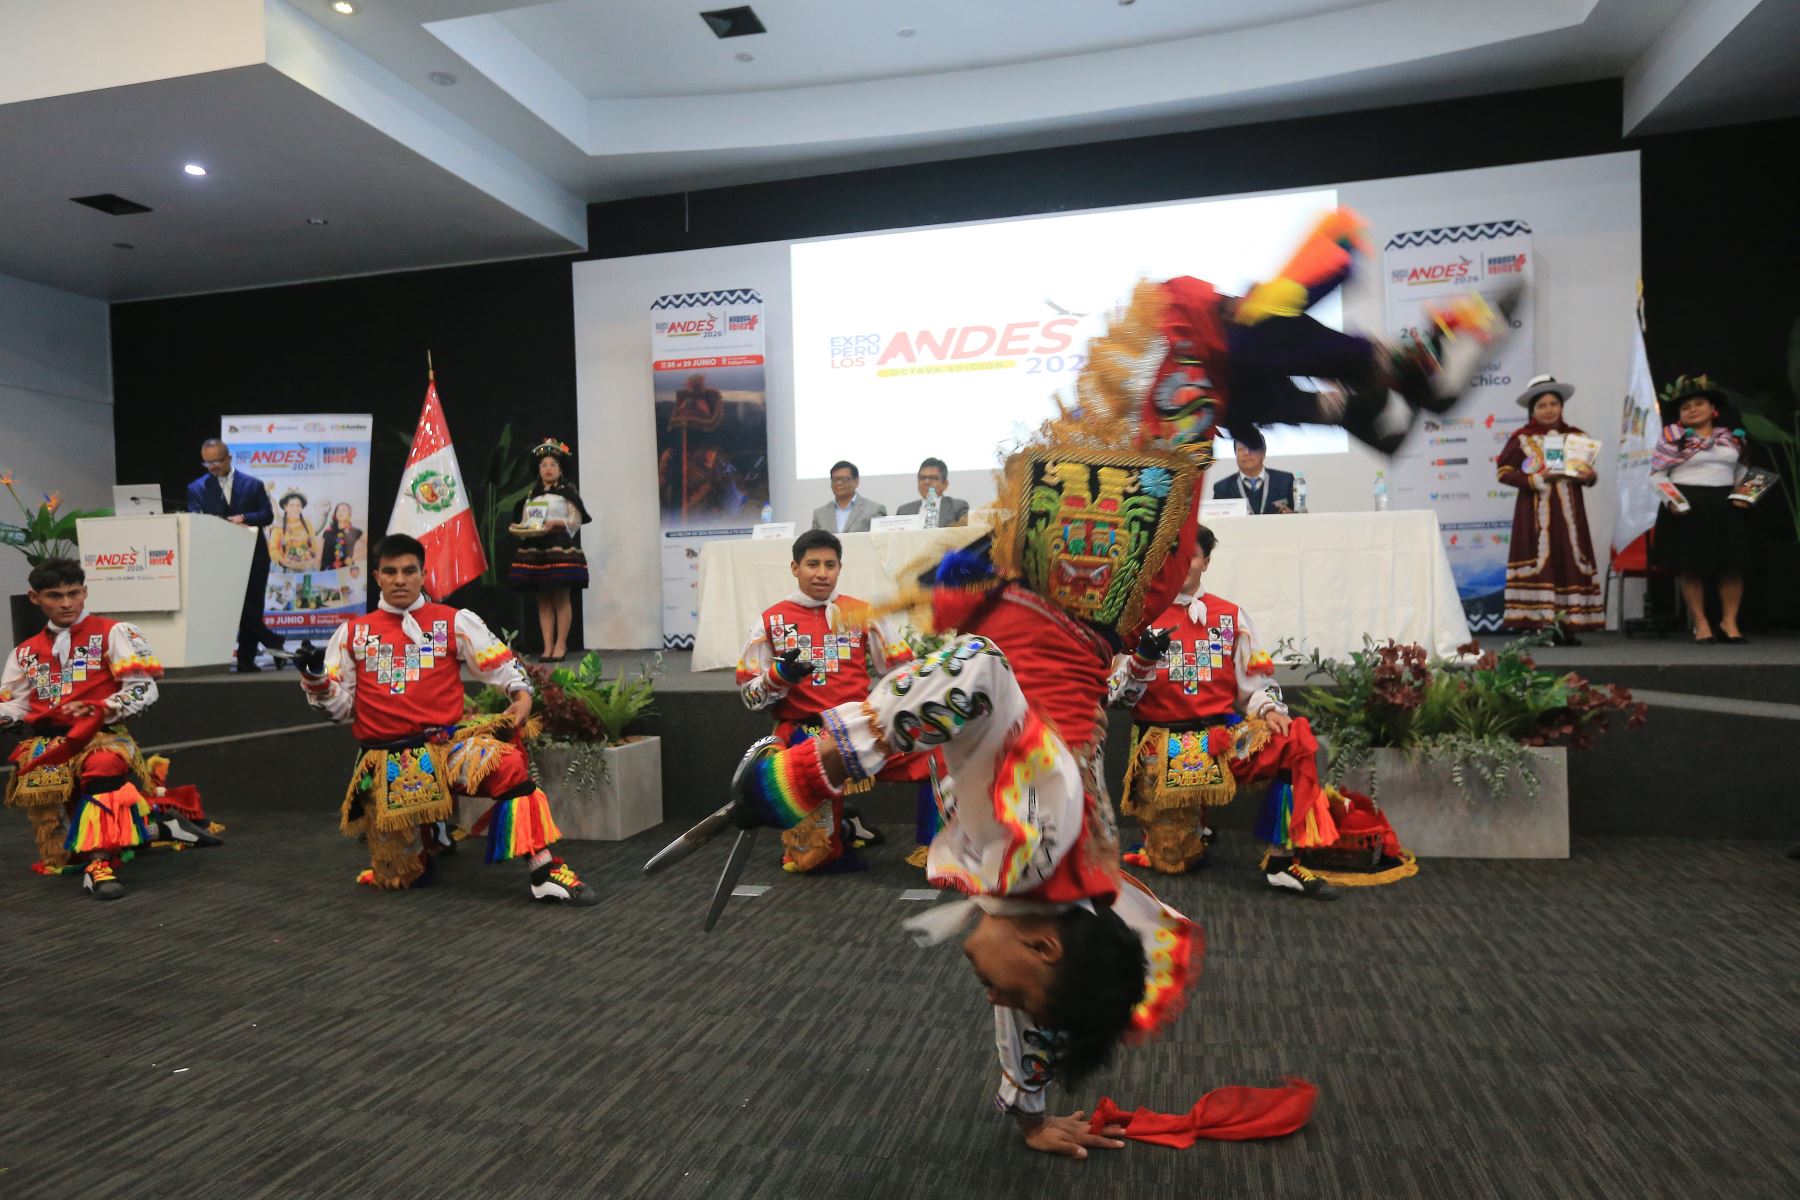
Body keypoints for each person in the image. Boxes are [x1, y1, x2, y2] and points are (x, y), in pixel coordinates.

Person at [701, 205, 1511, 1150]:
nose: (986, 982)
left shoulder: (1061, 900)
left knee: (1210, 364)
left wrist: (1032, 1112)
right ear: (1041, 943)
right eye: (999, 978)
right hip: (1090, 562)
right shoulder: (1035, 839)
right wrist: (796, 776)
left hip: (1062, 585)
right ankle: (1391, 372)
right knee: (1178, 326)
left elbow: (1042, 993)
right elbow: (968, 676)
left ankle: (1356, 402)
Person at [297, 533, 597, 903]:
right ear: (377, 577)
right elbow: (340, 709)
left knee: (508, 766)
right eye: (390, 572)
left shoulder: (453, 621)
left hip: (447, 749)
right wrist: (316, 679)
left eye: (409, 571)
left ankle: (544, 871)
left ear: (423, 575)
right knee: (406, 877)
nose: (400, 579)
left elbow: (501, 665)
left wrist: (521, 695)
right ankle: (432, 831)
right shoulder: (353, 633)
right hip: (389, 763)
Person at [1108, 526, 1338, 897]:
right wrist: (1142, 661)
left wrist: (1269, 708)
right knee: (1175, 863)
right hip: (1164, 747)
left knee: (1292, 741)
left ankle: (1281, 865)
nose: (1181, 563)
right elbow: (1115, 698)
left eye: (1191, 556)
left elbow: (1255, 684)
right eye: (1172, 556)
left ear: (1206, 562)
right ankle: (1186, 829)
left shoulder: (1232, 616)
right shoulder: (1136, 618)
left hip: (1223, 738)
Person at [1, 558, 221, 899]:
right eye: (55, 595)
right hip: (47, 743)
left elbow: (143, 688)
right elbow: (15, 702)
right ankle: (155, 828)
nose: (66, 603)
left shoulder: (115, 632)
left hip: (100, 736)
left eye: (74, 593)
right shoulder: (24, 652)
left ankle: (99, 867)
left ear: (85, 592)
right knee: (66, 852)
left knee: (102, 769)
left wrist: (103, 707)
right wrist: (6, 716)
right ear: (35, 598)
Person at [735, 529, 920, 872]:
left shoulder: (861, 613)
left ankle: (943, 850)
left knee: (940, 754)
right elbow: (750, 698)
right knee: (812, 860)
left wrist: (891, 710)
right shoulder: (770, 621)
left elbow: (903, 671)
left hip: (864, 729)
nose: (822, 573)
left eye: (830, 565)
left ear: (839, 568)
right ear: (795, 568)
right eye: (813, 564)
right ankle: (841, 827)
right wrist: (778, 677)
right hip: (805, 735)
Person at [1649, 374, 1755, 644]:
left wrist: (1745, 496)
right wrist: (1674, 501)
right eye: (1685, 407)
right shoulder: (1672, 440)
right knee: (1690, 566)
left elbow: (1741, 473)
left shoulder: (1732, 439)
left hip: (1725, 507)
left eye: (1698, 404)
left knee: (1732, 566)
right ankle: (1701, 623)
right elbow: (1657, 475)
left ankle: (1729, 623)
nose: (1692, 409)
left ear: (1713, 409)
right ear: (1679, 416)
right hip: (1687, 506)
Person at [1496, 375, 1602, 641]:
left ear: (1561, 406)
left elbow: (1586, 474)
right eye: (1542, 405)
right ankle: (1541, 624)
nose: (1548, 410)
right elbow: (1504, 472)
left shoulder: (1577, 437)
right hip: (1535, 512)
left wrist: (1590, 476)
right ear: (1533, 410)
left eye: (1553, 403)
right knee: (1542, 560)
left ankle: (1569, 624)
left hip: (1570, 513)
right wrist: (1536, 479)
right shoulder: (1522, 438)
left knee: (1567, 558)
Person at [186, 438, 287, 671]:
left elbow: (267, 515)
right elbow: (194, 518)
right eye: (207, 463)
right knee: (233, 608)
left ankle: (246, 660)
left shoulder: (253, 484)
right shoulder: (196, 488)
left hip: (253, 555)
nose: (212, 467)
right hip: (218, 558)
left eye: (217, 461)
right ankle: (273, 640)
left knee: (253, 607)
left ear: (229, 458)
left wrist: (244, 518)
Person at [508, 438, 591, 663]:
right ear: (538, 469)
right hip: (536, 549)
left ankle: (561, 644)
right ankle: (547, 646)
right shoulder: (532, 496)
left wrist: (557, 524)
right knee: (543, 599)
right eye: (544, 465)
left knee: (561, 597)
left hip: (559, 548)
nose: (548, 469)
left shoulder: (567, 492)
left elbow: (575, 520)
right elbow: (527, 522)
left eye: (553, 464)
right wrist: (519, 528)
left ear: (560, 469)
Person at [1210, 426, 1295, 514]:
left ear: (1263, 452)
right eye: (1241, 449)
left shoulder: (1285, 481)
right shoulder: (1222, 488)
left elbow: (1298, 513)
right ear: (1235, 454)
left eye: (1252, 447)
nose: (1247, 453)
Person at [810, 461, 886, 534]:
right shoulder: (819, 514)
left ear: (856, 481)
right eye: (835, 479)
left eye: (844, 479)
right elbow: (814, 541)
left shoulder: (874, 510)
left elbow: (881, 540)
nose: (839, 483)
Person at [895, 457, 972, 526]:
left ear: (945, 484)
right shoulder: (904, 511)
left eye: (933, 478)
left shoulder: (957, 507)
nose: (927, 482)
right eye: (922, 478)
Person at [268, 490, 319, 573]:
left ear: (301, 508)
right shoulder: (279, 526)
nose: (295, 508)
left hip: (305, 566)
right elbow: (273, 550)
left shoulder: (307, 524)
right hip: (284, 568)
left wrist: (310, 556)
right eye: (292, 505)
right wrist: (282, 560)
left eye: (298, 505)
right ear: (285, 507)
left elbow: (314, 546)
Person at [317, 501, 366, 575]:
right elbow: (320, 553)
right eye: (338, 510)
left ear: (349, 514)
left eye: (344, 510)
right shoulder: (327, 531)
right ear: (335, 514)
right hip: (327, 571)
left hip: (345, 571)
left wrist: (355, 558)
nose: (340, 512)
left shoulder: (355, 531)